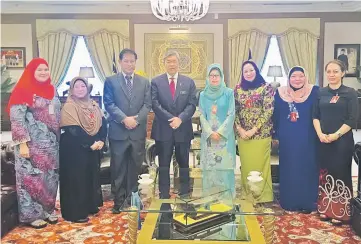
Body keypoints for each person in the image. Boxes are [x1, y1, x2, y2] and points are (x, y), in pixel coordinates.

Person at [7, 58, 60, 228]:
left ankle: (48, 211)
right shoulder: (23, 91)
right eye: (39, 70)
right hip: (30, 147)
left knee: (50, 180)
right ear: (31, 72)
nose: (44, 72)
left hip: (51, 146)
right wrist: (22, 144)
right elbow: (17, 120)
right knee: (31, 181)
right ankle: (31, 216)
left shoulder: (53, 90)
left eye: (46, 69)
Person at [104, 48, 151, 214]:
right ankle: (118, 202)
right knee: (118, 168)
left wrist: (136, 119)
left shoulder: (144, 82)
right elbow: (109, 104)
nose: (129, 64)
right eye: (126, 61)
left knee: (135, 167)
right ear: (120, 62)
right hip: (119, 132)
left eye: (132, 61)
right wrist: (125, 119)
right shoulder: (110, 81)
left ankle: (133, 200)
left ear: (135, 63)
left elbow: (147, 105)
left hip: (137, 133)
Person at [313, 60, 358, 225]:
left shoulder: (350, 93)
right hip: (323, 140)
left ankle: (341, 212)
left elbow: (353, 119)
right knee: (325, 174)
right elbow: (315, 115)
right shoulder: (321, 93)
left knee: (340, 173)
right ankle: (325, 209)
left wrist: (336, 135)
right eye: (329, 71)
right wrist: (320, 134)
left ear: (343, 73)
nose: (331, 75)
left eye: (335, 71)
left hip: (342, 141)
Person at [59, 77, 107, 223]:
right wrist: (90, 143)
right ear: (71, 90)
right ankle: (75, 213)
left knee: (89, 177)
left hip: (92, 148)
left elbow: (102, 123)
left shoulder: (93, 105)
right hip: (73, 150)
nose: (80, 89)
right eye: (76, 86)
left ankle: (89, 206)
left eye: (83, 86)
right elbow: (73, 130)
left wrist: (101, 140)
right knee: (76, 179)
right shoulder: (69, 106)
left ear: (88, 88)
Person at [151, 50, 197, 199]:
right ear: (164, 63)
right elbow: (155, 104)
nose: (171, 64)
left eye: (174, 61)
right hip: (163, 129)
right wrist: (171, 119)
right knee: (164, 163)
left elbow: (192, 104)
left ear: (179, 63)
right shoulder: (156, 82)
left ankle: (184, 191)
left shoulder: (188, 82)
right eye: (168, 61)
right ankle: (164, 193)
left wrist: (180, 119)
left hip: (183, 129)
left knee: (184, 162)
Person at [273, 66, 319, 213]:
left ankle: (307, 202)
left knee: (307, 167)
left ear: (306, 77)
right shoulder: (280, 93)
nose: (297, 79)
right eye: (293, 76)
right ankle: (289, 201)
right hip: (287, 139)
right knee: (289, 167)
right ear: (288, 78)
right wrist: (275, 135)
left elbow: (319, 114)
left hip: (308, 137)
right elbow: (276, 115)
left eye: (300, 76)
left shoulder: (314, 92)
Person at [234, 60, 274, 203]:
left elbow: (268, 110)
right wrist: (239, 129)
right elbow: (234, 111)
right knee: (246, 166)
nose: (249, 73)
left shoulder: (266, 88)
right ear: (243, 74)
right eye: (246, 71)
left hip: (261, 134)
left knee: (260, 166)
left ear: (256, 71)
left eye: (251, 70)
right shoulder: (238, 89)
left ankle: (263, 196)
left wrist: (254, 129)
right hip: (243, 136)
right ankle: (248, 194)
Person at [199, 64, 236, 197]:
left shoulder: (228, 93)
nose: (214, 78)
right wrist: (210, 132)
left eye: (217, 75)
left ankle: (227, 199)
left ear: (221, 77)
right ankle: (210, 199)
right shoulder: (203, 95)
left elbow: (231, 114)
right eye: (211, 75)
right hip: (209, 139)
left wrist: (220, 133)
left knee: (224, 168)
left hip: (224, 139)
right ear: (208, 78)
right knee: (210, 169)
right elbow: (202, 114)